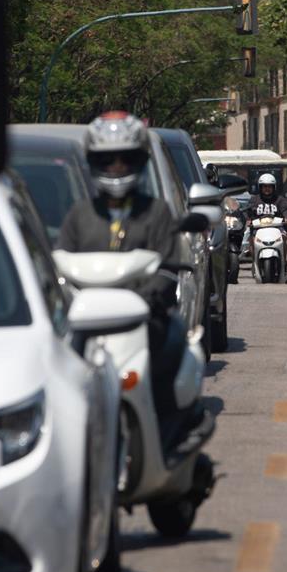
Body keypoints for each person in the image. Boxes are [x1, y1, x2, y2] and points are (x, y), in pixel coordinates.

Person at [58, 111, 182, 415]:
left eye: (125, 158)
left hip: (143, 320)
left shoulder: (158, 212)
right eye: (107, 160)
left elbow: (168, 268)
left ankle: (167, 429)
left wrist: (142, 301)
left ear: (139, 161)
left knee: (172, 345)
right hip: (85, 323)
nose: (116, 167)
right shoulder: (79, 215)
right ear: (93, 162)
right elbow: (59, 266)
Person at [242, 173, 287, 277]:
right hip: (258, 228)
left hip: (277, 228)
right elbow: (247, 213)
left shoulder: (280, 200)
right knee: (251, 240)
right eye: (264, 186)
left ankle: (283, 260)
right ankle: (255, 261)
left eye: (269, 186)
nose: (267, 189)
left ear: (274, 187)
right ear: (260, 187)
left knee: (283, 239)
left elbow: (286, 212)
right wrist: (248, 220)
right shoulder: (254, 200)